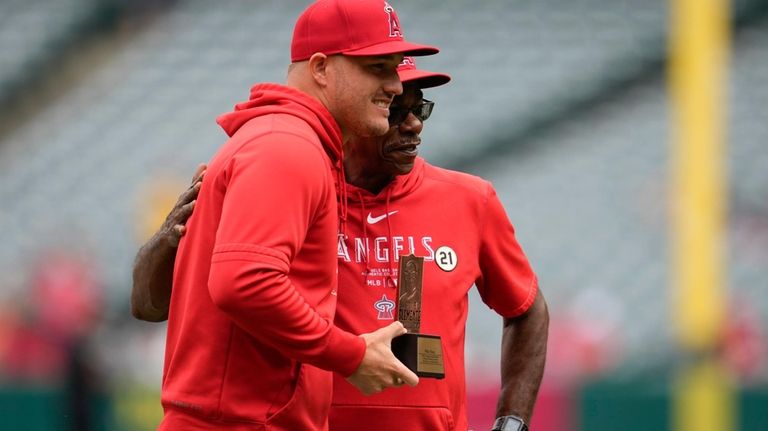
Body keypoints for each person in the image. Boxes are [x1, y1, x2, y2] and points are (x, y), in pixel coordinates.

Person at [134, 57, 549, 431]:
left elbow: (527, 309)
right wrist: (168, 238)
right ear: (355, 115)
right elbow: (149, 305)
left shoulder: (469, 199)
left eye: (419, 109)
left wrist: (511, 423)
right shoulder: (288, 186)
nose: (414, 124)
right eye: (396, 110)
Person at [147, 0, 440, 429]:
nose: (396, 86)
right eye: (378, 67)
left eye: (394, 67)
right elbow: (244, 282)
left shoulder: (285, 138)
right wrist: (351, 354)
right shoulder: (288, 145)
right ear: (321, 68)